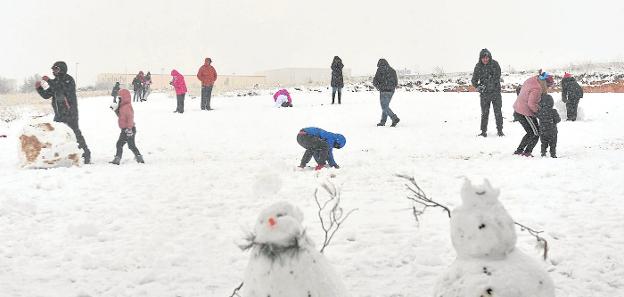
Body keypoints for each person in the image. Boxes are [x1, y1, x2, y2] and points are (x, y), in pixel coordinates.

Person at [35, 61, 91, 164]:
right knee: (57, 135)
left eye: (56, 69)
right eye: (53, 69)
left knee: (75, 134)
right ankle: (61, 156)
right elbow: (47, 95)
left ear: (61, 69)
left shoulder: (68, 80)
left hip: (70, 113)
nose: (53, 71)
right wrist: (39, 88)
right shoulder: (55, 81)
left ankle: (86, 155)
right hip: (59, 115)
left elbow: (61, 89)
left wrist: (49, 81)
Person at [512, 71, 554, 157]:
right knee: (536, 133)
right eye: (548, 85)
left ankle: (519, 150)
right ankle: (527, 152)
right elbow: (531, 104)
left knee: (530, 132)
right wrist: (539, 113)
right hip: (525, 112)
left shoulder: (532, 80)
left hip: (518, 109)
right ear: (545, 82)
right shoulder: (537, 88)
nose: (548, 87)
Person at [471, 48, 503, 137]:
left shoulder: (495, 64)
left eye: (487, 57)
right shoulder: (478, 66)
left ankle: (500, 131)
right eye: (483, 58)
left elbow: (497, 76)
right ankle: (483, 131)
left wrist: (489, 83)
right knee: (484, 113)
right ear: (480, 58)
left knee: (498, 112)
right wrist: (478, 87)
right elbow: (474, 80)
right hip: (484, 95)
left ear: (489, 57)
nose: (485, 59)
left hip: (496, 93)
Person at [109, 89, 144, 165]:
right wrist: (115, 110)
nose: (119, 99)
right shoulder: (122, 107)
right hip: (125, 130)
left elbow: (130, 118)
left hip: (129, 129)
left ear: (124, 97)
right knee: (123, 144)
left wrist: (129, 129)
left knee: (129, 145)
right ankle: (118, 159)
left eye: (120, 97)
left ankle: (139, 158)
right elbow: (121, 117)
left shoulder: (127, 107)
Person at [373, 58, 400, 127]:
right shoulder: (392, 70)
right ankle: (382, 122)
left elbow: (375, 81)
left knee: (384, 107)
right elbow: (396, 82)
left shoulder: (379, 70)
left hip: (384, 91)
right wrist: (392, 87)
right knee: (385, 106)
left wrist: (379, 87)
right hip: (391, 91)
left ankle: (394, 118)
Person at [536, 93, 560, 158]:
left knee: (543, 143)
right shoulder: (553, 111)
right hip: (552, 131)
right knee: (553, 143)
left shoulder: (540, 112)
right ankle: (553, 154)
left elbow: (537, 116)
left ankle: (543, 153)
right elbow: (558, 120)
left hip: (543, 131)